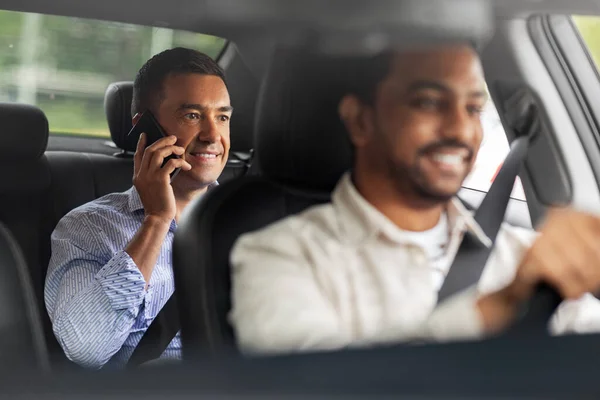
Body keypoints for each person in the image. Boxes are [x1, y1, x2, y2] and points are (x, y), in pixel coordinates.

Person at [229, 44, 600, 355]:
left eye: (473, 108)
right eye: (427, 102)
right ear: (360, 120)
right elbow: (310, 388)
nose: (460, 129)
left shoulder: (523, 253)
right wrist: (500, 308)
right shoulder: (278, 256)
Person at [45, 47, 232, 368]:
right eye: (192, 115)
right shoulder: (88, 226)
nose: (213, 135)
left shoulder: (251, 218)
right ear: (144, 127)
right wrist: (157, 220)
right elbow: (86, 349)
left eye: (223, 117)